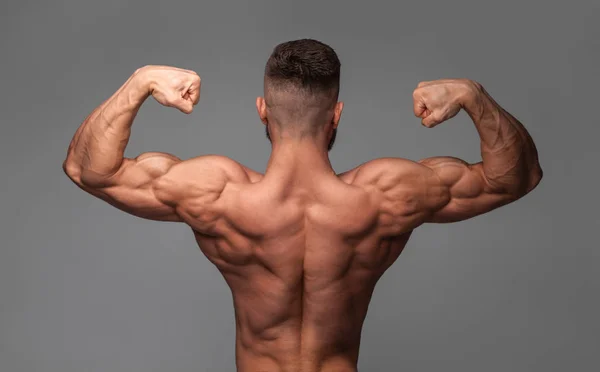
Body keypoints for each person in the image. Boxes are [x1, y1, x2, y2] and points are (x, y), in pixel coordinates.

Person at [63, 39, 543, 372]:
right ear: (336, 114)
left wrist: (141, 81)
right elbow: (515, 178)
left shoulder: (217, 195)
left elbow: (89, 169)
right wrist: (472, 97)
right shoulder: (386, 196)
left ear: (262, 110)